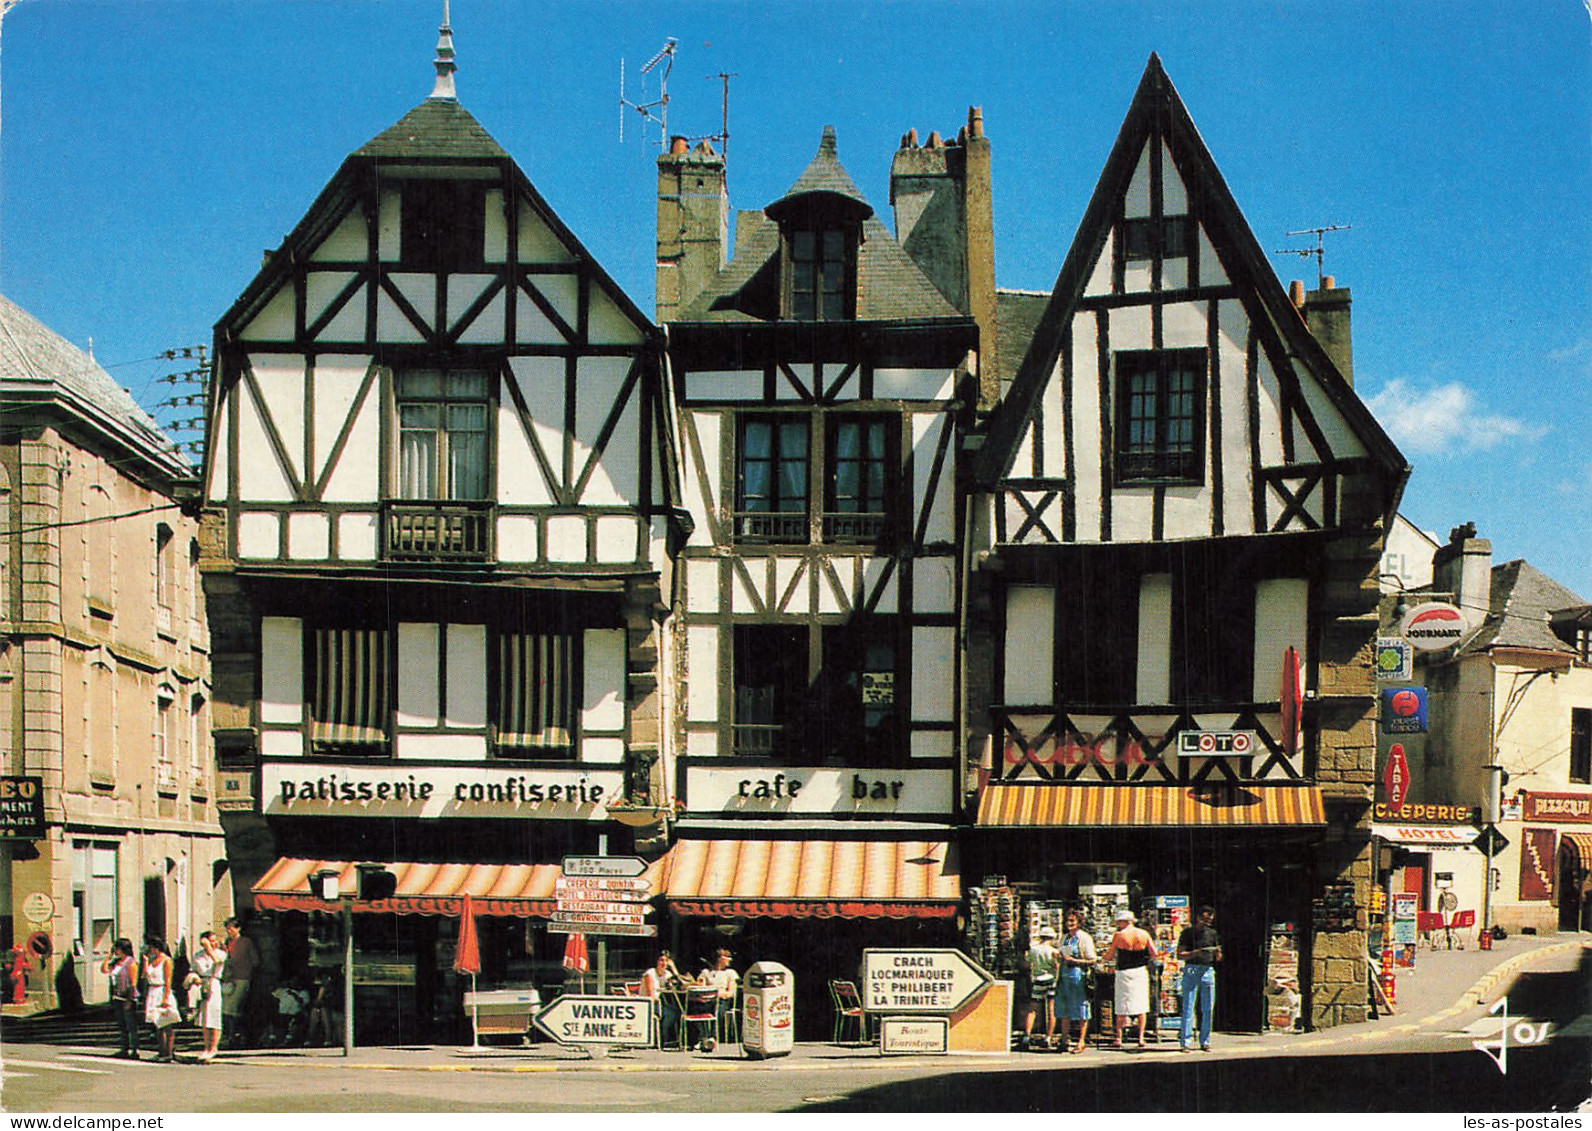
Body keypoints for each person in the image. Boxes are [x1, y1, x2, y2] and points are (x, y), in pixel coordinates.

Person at [1103, 908, 1154, 1049]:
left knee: (1121, 1004)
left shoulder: (1119, 935)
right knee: (1141, 1004)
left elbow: (1110, 954)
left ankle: (1118, 1037)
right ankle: (1141, 1038)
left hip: (1124, 972)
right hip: (1140, 971)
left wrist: (1101, 957)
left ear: (1123, 921)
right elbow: (1154, 953)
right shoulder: (1144, 934)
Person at [1177, 904, 1223, 1052]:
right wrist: (1196, 953)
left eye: (1210, 920)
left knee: (1208, 1007)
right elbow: (1180, 954)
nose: (1207, 923)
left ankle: (1205, 1040)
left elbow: (1219, 956)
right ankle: (1186, 1041)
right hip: (1192, 969)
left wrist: (1216, 953)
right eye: (1204, 919)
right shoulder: (1187, 933)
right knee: (1188, 1007)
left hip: (1207, 970)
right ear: (1198, 918)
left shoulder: (1213, 933)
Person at [1057, 909, 1098, 1053]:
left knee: (1081, 1009)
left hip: (1078, 976)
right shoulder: (1065, 938)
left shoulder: (1084, 938)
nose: (1069, 924)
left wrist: (1074, 960)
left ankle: (1081, 1040)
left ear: (1079, 923)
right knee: (1064, 1009)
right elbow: (1062, 954)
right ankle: (1064, 1039)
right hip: (1064, 977)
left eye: (1072, 921)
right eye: (1067, 921)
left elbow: (1092, 959)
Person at [220, 916, 259, 1049]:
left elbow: (255, 961)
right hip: (228, 979)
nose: (228, 930)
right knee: (226, 1009)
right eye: (227, 928)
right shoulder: (227, 943)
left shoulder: (246, 942)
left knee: (233, 1008)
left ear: (238, 928)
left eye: (231, 928)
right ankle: (230, 1036)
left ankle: (233, 1036)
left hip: (242, 978)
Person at [1021, 925, 1062, 1049]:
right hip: (1051, 980)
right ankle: (1048, 1037)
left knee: (1032, 1009)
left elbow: (1027, 961)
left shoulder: (1033, 949)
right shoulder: (1053, 951)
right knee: (1051, 1010)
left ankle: (1027, 1035)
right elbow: (1056, 966)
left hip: (1038, 980)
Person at [101, 939, 141, 1059]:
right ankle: (124, 1048)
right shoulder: (115, 962)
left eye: (117, 949)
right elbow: (104, 969)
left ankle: (134, 1049)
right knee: (121, 1024)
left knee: (131, 1024)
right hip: (116, 996)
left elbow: (133, 982)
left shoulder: (131, 963)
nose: (115, 951)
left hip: (127, 997)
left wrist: (129, 999)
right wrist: (107, 957)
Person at [189, 931, 225, 1061]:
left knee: (214, 1014)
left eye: (214, 940)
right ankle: (206, 1046)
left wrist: (209, 948)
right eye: (210, 941)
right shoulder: (198, 955)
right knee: (204, 1017)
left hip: (213, 982)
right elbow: (193, 969)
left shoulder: (220, 953)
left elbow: (217, 962)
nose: (213, 943)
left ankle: (213, 1047)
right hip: (202, 984)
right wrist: (194, 978)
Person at [693, 948, 738, 1050]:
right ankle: (702, 1038)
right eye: (727, 957)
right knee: (698, 1007)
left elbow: (730, 993)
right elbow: (701, 987)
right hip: (707, 999)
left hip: (721, 1000)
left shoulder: (730, 973)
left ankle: (713, 1037)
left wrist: (717, 994)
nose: (729, 960)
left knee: (718, 1008)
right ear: (719, 958)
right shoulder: (706, 972)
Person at [142, 938, 178, 1063]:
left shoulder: (166, 960)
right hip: (153, 991)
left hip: (162, 990)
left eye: (151, 948)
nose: (150, 950)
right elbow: (145, 976)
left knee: (166, 1024)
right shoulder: (152, 961)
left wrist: (166, 997)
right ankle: (161, 1051)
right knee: (157, 1024)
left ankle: (168, 1052)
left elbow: (168, 980)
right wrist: (145, 963)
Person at [638, 951, 684, 1048]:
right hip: (648, 1004)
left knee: (677, 1011)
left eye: (666, 961)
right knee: (669, 1013)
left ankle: (672, 1039)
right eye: (661, 960)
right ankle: (660, 1039)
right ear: (657, 961)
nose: (663, 963)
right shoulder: (649, 974)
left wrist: (674, 970)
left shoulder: (667, 974)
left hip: (661, 1002)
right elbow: (650, 994)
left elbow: (681, 984)